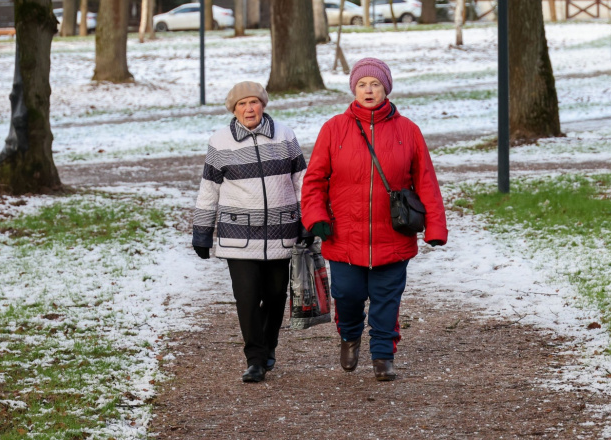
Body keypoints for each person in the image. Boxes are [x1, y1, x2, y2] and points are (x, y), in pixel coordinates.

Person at [301, 58, 448, 382]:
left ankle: (383, 355)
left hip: (393, 234)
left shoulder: (408, 130)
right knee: (347, 295)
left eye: (375, 84)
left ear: (386, 89)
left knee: (386, 300)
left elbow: (426, 181)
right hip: (344, 235)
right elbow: (314, 181)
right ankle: (349, 335)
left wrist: (436, 226)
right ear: (354, 89)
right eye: (362, 84)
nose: (368, 90)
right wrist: (316, 218)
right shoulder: (333, 129)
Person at [192, 81, 310, 383]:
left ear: (263, 105)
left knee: (275, 295)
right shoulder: (220, 142)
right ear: (233, 109)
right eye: (242, 104)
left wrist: (308, 221)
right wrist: (202, 231)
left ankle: (269, 345)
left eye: (254, 102)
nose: (248, 109)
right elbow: (209, 190)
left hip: (281, 232)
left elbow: (302, 181)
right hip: (238, 236)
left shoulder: (285, 136)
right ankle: (255, 359)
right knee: (246, 297)